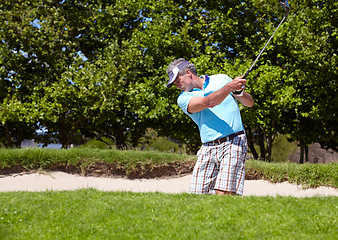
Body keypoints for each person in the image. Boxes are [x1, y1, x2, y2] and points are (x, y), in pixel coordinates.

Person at [166, 58, 254, 195]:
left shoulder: (222, 79)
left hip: (234, 142)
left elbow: (249, 103)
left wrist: (239, 93)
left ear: (188, 73)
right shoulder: (183, 98)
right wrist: (230, 87)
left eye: (178, 80)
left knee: (223, 194)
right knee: (197, 196)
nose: (177, 85)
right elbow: (208, 102)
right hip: (207, 148)